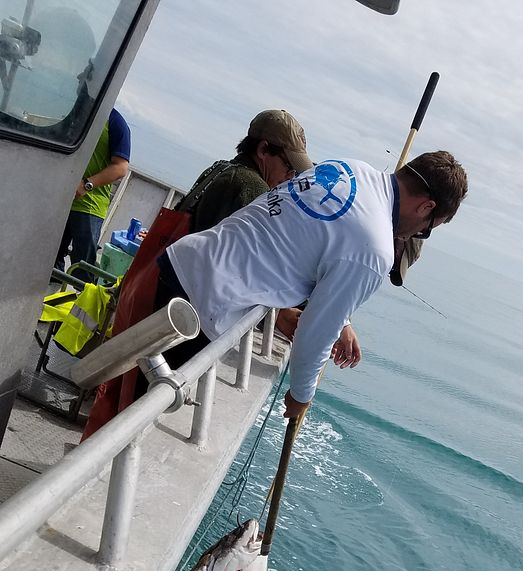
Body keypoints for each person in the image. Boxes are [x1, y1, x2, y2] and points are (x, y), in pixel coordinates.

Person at [153, 151, 467, 416]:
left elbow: (306, 241)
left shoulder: (349, 169)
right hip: (198, 312)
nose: (414, 235)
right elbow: (315, 334)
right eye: (427, 229)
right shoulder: (375, 250)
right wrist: (300, 397)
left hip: (178, 262)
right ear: (426, 207)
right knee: (135, 411)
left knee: (114, 385)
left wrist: (342, 319)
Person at [171, 109, 361, 366]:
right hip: (185, 307)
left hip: (172, 286)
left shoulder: (222, 169)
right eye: (289, 166)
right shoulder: (251, 187)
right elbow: (266, 259)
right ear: (263, 150)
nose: (290, 177)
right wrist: (328, 319)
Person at [55, 107, 131, 280]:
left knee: (82, 269)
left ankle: (81, 306)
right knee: (49, 256)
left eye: (84, 77)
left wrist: (86, 184)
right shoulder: (77, 113)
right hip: (60, 198)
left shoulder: (116, 122)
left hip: (89, 206)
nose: (80, 80)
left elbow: (120, 168)